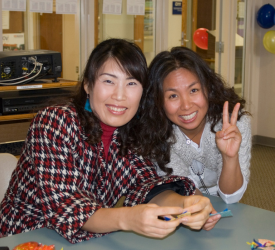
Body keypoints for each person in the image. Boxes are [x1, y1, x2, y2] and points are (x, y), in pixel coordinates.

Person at [0, 39, 214, 244]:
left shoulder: (132, 132)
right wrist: (128, 218)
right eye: (109, 81)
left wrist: (184, 205)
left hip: (88, 240)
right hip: (25, 236)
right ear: (88, 84)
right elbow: (68, 208)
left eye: (131, 83)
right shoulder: (55, 122)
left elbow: (147, 185)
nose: (120, 96)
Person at [143, 46, 251, 205]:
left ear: (208, 88)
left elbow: (231, 197)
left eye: (193, 90)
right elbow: (183, 188)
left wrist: (230, 158)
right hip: (184, 201)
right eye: (173, 95)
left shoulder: (233, 125)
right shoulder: (156, 133)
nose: (186, 105)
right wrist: (202, 209)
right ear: (158, 101)